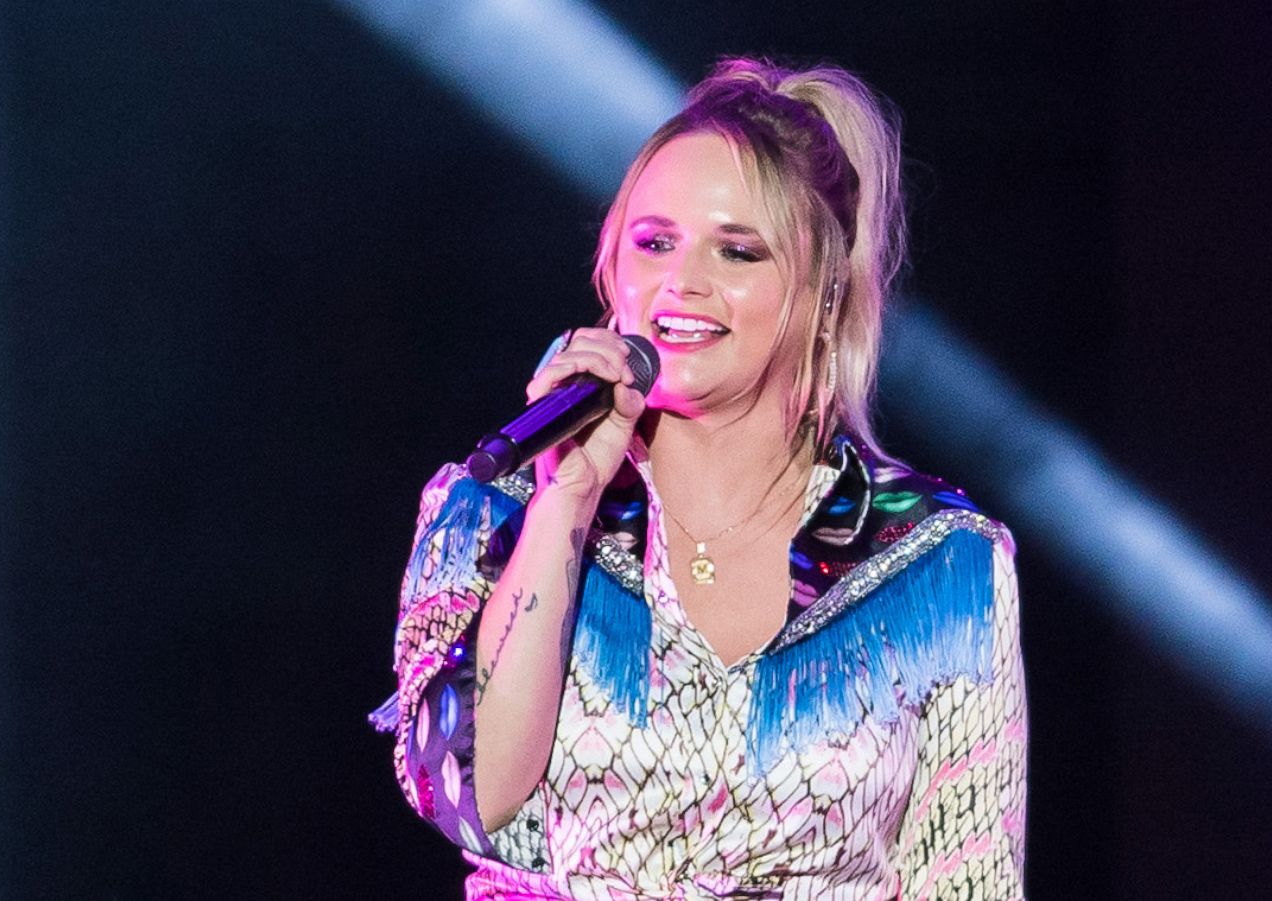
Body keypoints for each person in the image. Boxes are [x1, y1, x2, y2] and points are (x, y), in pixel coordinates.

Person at [373, 58, 1027, 900]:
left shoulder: (933, 566)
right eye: (655, 242)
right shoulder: (491, 511)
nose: (683, 282)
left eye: (738, 250)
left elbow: (970, 883)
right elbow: (467, 795)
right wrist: (562, 504)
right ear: (614, 270)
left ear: (825, 292)